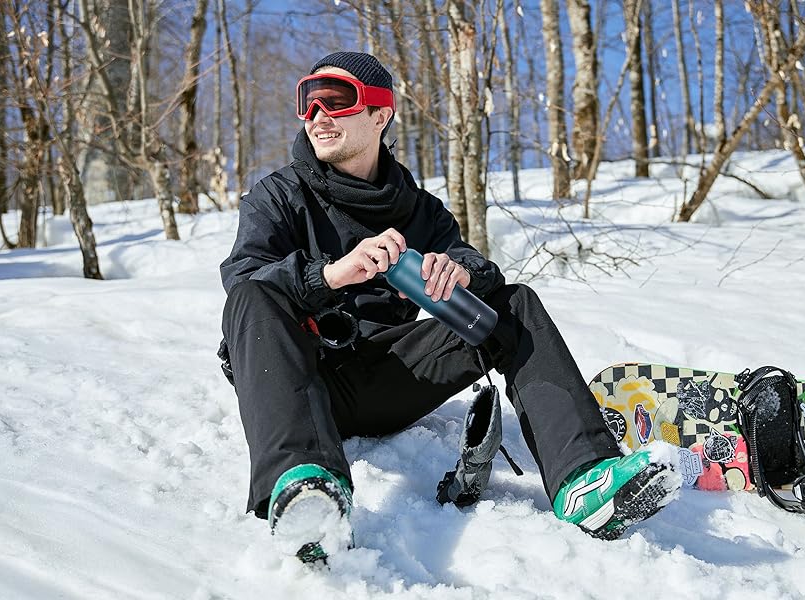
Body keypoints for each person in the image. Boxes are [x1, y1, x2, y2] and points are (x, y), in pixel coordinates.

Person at [219, 51, 679, 562]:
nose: (318, 116)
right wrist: (331, 274)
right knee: (253, 294)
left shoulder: (419, 210)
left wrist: (462, 273)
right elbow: (243, 281)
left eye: (336, 100)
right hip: (296, 380)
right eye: (308, 102)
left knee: (513, 305)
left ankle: (583, 478)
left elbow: (476, 265)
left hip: (387, 377)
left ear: (379, 114)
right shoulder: (279, 196)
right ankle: (306, 492)